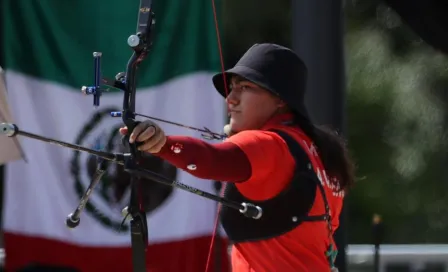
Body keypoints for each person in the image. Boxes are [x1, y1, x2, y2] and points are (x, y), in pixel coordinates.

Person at [119, 43, 355, 272]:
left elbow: (212, 158)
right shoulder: (318, 152)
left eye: (245, 87)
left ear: (280, 99)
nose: (230, 98)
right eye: (232, 87)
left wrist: (162, 145)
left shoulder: (272, 144)